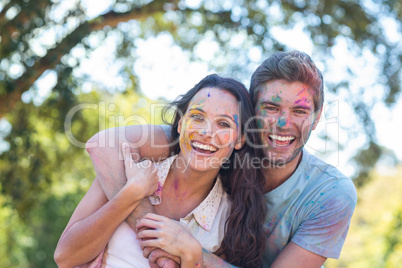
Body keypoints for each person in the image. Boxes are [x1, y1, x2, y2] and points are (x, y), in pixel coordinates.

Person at [84, 50, 357, 267]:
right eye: (271, 108)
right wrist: (153, 238)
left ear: (317, 118)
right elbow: (103, 145)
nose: (283, 123)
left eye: (299, 111)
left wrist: (193, 254)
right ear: (251, 112)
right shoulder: (213, 147)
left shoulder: (331, 193)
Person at [54, 74, 267, 267]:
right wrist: (130, 195)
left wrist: (192, 256)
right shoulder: (128, 169)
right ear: (181, 123)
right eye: (197, 117)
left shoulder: (229, 219)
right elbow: (65, 257)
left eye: (223, 123)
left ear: (240, 139)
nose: (206, 132)